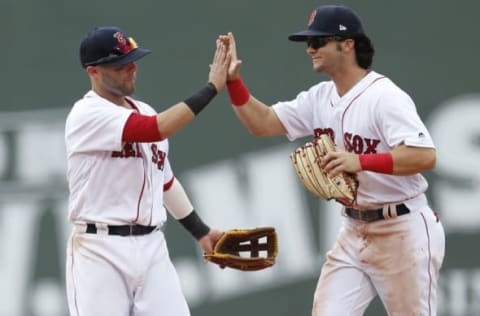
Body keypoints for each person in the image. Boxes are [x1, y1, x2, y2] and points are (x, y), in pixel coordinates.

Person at [219, 5, 445, 316]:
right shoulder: (319, 98)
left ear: (348, 44)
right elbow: (263, 122)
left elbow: (424, 155)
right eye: (308, 43)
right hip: (353, 230)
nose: (310, 49)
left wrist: (360, 162)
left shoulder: (384, 97)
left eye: (319, 41)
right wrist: (233, 82)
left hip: (402, 229)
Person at [64, 26, 229, 316]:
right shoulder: (86, 114)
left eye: (132, 59)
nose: (131, 68)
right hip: (99, 250)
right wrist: (212, 87)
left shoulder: (145, 109)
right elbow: (156, 129)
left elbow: (164, 182)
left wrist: (201, 232)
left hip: (152, 246)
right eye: (119, 64)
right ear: (93, 71)